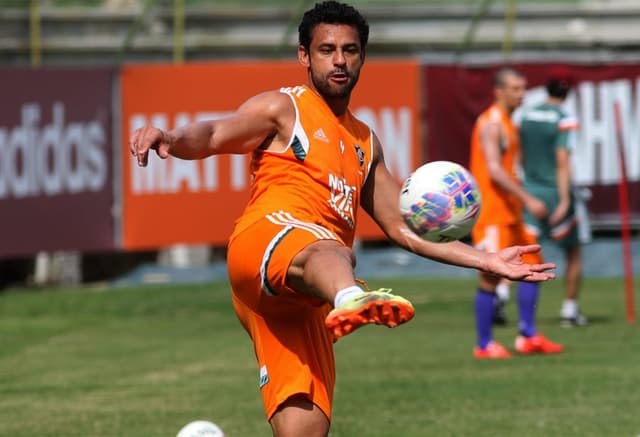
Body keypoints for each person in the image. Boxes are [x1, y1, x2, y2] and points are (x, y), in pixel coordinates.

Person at [130, 4, 555, 435]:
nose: (338, 60)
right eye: (326, 49)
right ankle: (351, 298)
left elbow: (404, 228)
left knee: (306, 430)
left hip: (301, 303)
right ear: (304, 56)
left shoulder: (365, 142)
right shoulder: (284, 108)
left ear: (362, 57)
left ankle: (343, 296)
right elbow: (216, 134)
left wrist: (487, 260)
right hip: (266, 243)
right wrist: (170, 137)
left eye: (349, 50)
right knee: (334, 247)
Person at [469, 66, 564, 359]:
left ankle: (528, 335)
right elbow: (495, 171)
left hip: (511, 212)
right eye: (515, 89)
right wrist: (528, 198)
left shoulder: (510, 123)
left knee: (533, 264)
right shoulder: (492, 124)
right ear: (499, 91)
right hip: (493, 214)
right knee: (490, 277)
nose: (521, 94)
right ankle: (484, 344)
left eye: (523, 88)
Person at [519, 73, 587, 327]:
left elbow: (522, 155)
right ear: (567, 94)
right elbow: (562, 160)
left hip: (530, 189)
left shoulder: (526, 114)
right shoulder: (565, 119)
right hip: (554, 191)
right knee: (574, 252)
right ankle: (569, 309)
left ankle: (502, 298)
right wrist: (565, 200)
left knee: (520, 253)